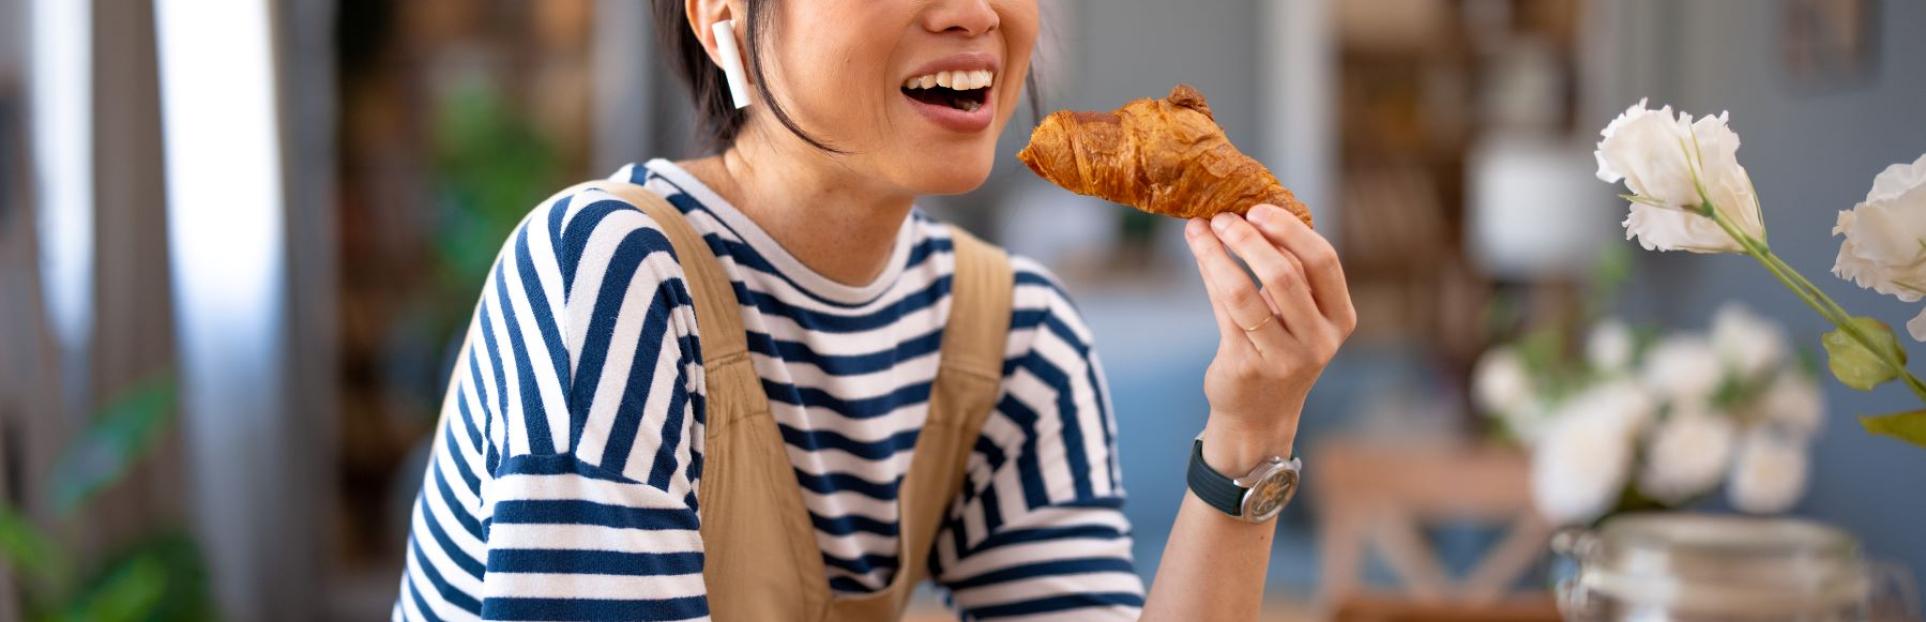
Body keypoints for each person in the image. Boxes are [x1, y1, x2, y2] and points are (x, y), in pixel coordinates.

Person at [393, 0, 1354, 619]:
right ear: (722, 14)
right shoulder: (608, 277)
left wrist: (1251, 424)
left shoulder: (1015, 336)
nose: (975, 12)